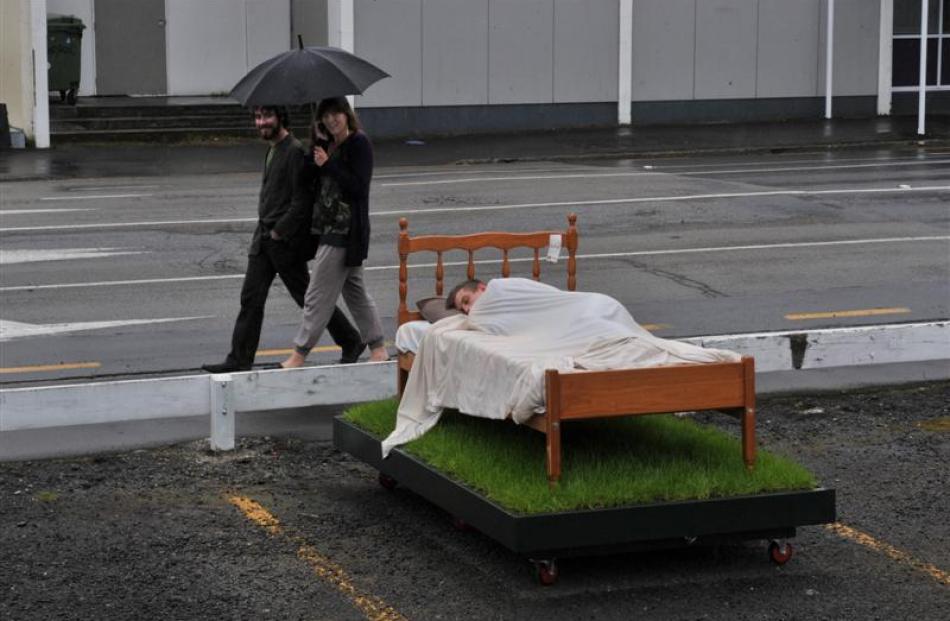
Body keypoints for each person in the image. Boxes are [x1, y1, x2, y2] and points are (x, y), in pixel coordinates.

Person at [202, 105, 363, 373]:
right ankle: (239, 359)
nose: (261, 122)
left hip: (283, 241)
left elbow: (302, 201)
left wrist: (280, 230)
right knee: (251, 298)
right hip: (263, 239)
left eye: (267, 117)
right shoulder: (274, 149)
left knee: (308, 298)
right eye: (257, 117)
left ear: (281, 118)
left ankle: (350, 340)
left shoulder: (295, 151)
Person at [281, 97, 388, 368]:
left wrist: (328, 164)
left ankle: (299, 353)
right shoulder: (327, 145)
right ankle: (378, 348)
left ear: (346, 114)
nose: (332, 120)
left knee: (316, 293)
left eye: (336, 114)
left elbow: (358, 187)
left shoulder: (358, 143)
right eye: (326, 116)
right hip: (327, 228)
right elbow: (305, 178)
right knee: (355, 291)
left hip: (345, 232)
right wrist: (316, 145)